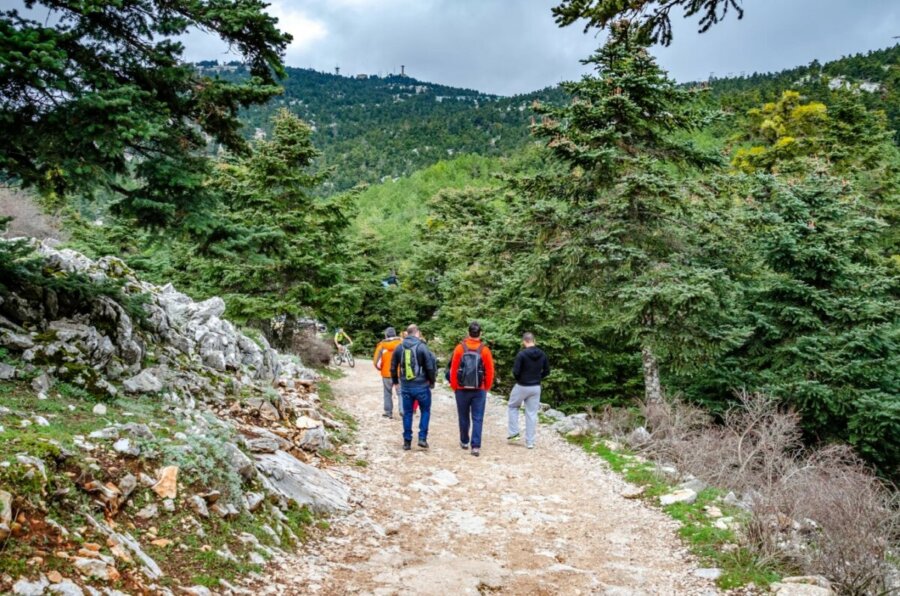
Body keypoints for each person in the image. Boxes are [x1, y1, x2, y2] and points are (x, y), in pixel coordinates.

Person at [449, 322, 494, 457]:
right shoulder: (484, 350)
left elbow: (453, 369)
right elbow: (490, 370)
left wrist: (454, 386)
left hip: (461, 389)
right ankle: (475, 446)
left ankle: (464, 441)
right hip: (479, 389)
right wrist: (486, 387)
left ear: (468, 333)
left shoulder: (459, 349)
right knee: (477, 418)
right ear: (480, 334)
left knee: (463, 416)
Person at [391, 324, 437, 451]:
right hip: (422, 386)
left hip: (405, 386)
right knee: (425, 411)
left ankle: (407, 441)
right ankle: (422, 438)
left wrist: (396, 382)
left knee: (407, 413)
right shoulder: (422, 347)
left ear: (407, 333)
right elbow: (430, 367)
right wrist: (432, 382)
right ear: (417, 333)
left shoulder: (399, 347)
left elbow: (393, 367)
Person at [508, 332, 550, 449]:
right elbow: (547, 371)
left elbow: (515, 372)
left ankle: (514, 433)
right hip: (536, 387)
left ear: (524, 341)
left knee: (513, 406)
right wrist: (538, 378)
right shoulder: (542, 354)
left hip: (522, 385)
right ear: (534, 340)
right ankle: (530, 442)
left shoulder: (521, 354)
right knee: (531, 413)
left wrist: (521, 379)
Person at [373, 327, 402, 418]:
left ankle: (388, 412)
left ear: (386, 335)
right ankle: (403, 410)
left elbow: (376, 362)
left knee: (387, 393)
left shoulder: (381, 345)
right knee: (401, 392)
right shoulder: (401, 344)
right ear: (395, 334)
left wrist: (380, 368)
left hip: (386, 373)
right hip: (399, 373)